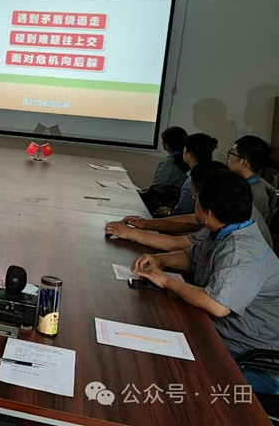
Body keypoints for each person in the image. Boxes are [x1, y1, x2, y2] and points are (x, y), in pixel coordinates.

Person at [131, 171, 279, 394]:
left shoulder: (241, 250)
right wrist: (160, 260)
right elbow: (192, 258)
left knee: (169, 373)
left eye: (197, 200)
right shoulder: (226, 231)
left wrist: (167, 281)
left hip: (254, 357)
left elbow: (217, 305)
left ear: (208, 213)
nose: (195, 204)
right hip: (227, 334)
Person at [106, 161, 273, 249]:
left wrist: (130, 233)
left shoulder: (224, 214)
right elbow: (193, 220)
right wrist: (146, 223)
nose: (195, 203)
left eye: (195, 197)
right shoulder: (226, 199)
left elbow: (178, 244)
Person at [155, 132, 218, 217]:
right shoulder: (212, 172)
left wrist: (168, 212)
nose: (183, 151)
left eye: (185, 148)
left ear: (190, 154)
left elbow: (182, 213)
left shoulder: (192, 182)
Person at [140, 126, 188, 214]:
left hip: (165, 206)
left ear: (166, 145)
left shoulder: (170, 163)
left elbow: (158, 189)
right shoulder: (187, 160)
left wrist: (140, 194)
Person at [227, 134, 276, 221]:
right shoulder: (241, 182)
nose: (228, 157)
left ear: (243, 162)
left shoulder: (256, 198)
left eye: (231, 153)